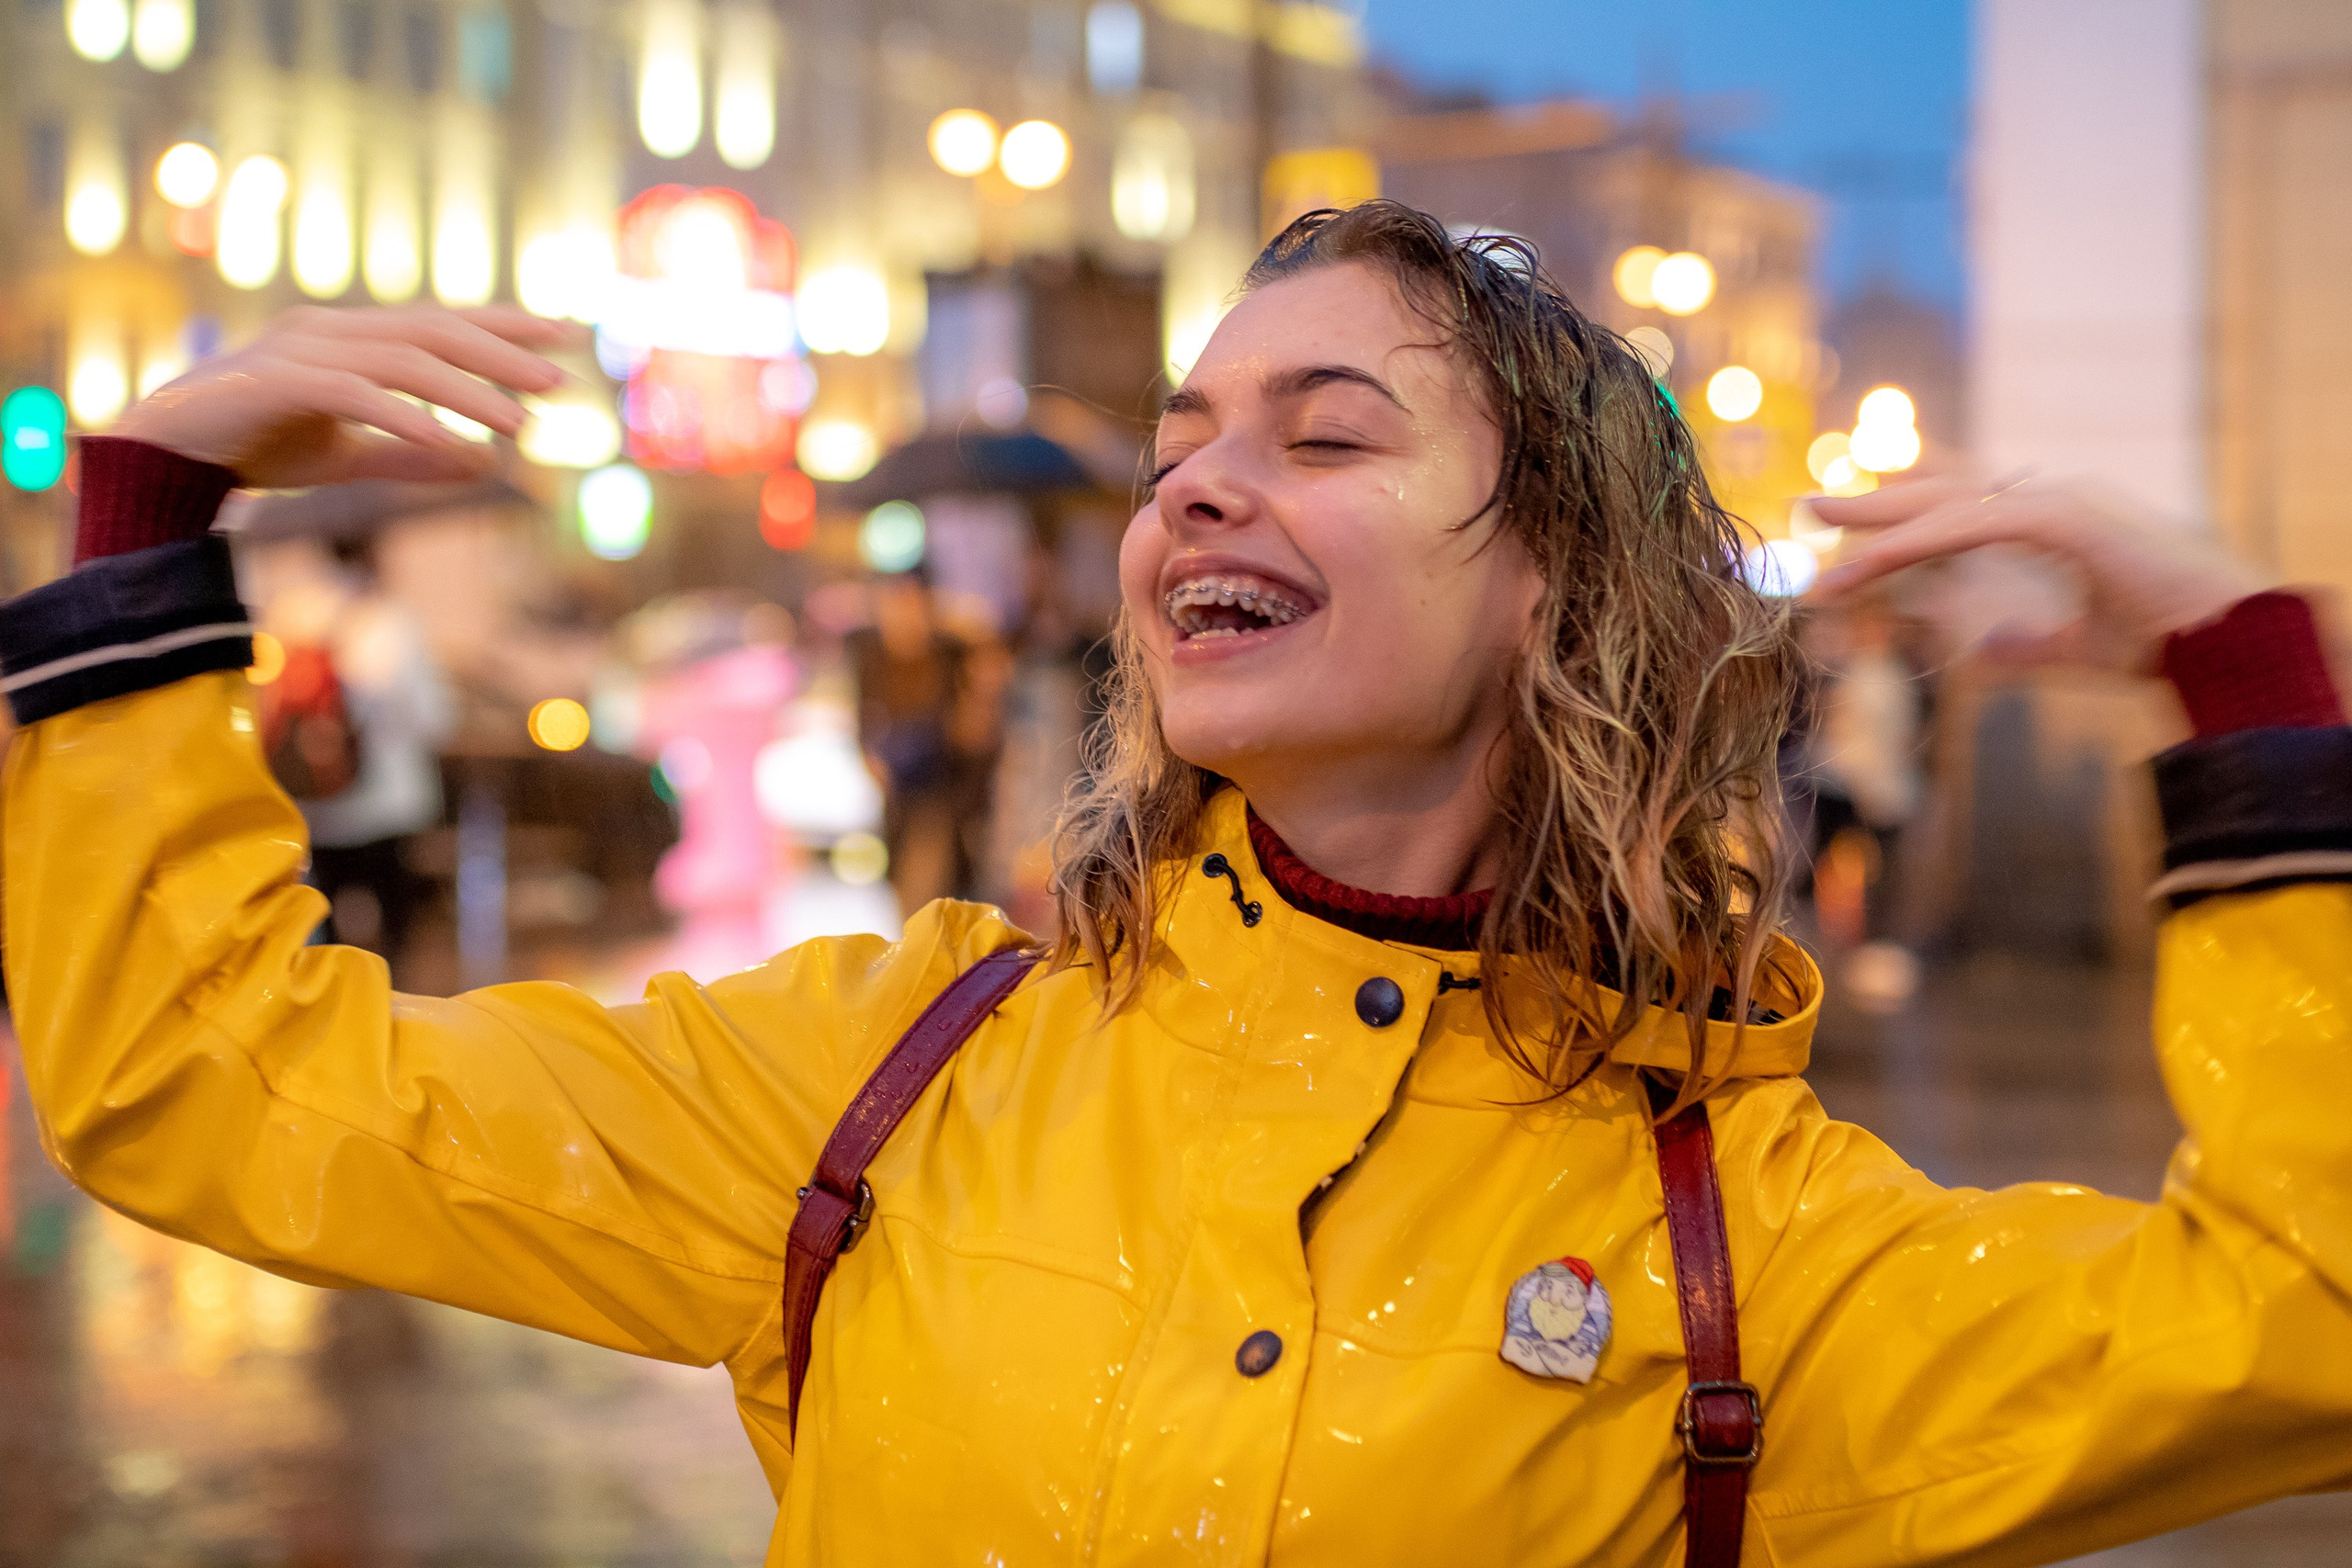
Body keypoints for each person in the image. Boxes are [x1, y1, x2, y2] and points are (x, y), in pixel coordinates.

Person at [4, 210, 2348, 1565]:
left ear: (1556, 581)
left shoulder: (1748, 1251)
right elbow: (215, 1088)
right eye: (1177, 449)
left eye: (1323, 436)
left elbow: (2301, 1310)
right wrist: (142, 534)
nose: (1196, 496)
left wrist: (2246, 689)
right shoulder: (890, 1079)